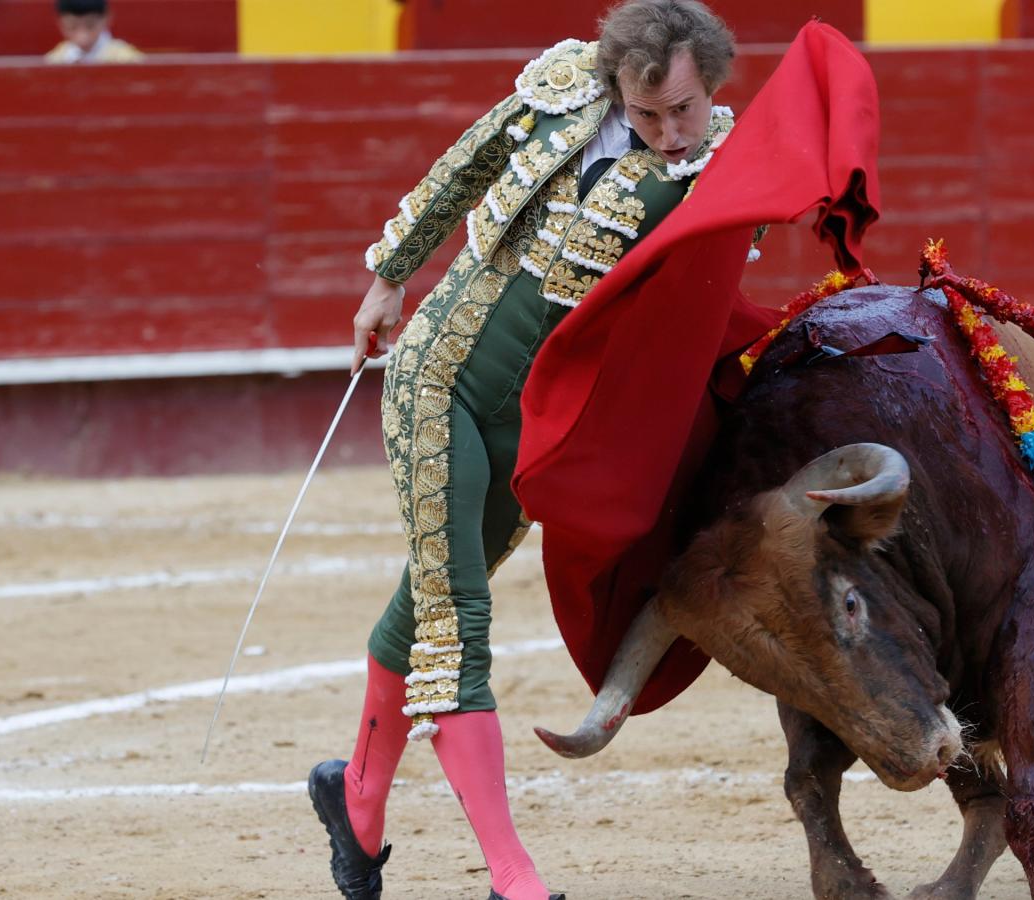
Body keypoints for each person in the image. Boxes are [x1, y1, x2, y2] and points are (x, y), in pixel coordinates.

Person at [306, 3, 752, 898]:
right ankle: (513, 877)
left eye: (686, 110)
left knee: (427, 593)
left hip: (538, 426)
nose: (669, 132)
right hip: (440, 374)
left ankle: (355, 794)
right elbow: (462, 169)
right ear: (615, 84)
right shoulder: (560, 93)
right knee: (457, 616)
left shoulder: (728, 167)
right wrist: (386, 281)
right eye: (648, 111)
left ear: (713, 87)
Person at [44, 0, 144, 64]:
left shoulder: (128, 60)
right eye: (72, 27)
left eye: (90, 26)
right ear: (60, 23)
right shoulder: (55, 60)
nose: (82, 37)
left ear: (107, 18)